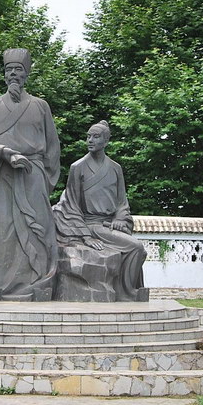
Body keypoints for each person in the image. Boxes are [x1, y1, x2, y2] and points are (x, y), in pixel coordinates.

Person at [0, 48, 60, 301]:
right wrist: (4, 153)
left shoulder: (40, 106)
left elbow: (53, 148)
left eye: (18, 69)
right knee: (0, 229)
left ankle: (37, 283)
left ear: (26, 73)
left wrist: (44, 179)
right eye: (9, 69)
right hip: (0, 174)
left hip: (32, 176)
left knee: (36, 228)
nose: (13, 74)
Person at [52, 121, 148, 301]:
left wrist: (120, 219)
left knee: (138, 251)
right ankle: (127, 293)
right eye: (88, 136)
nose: (90, 140)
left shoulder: (115, 168)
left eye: (96, 137)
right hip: (90, 225)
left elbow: (122, 202)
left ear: (106, 140)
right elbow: (71, 204)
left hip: (109, 224)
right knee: (136, 247)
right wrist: (85, 236)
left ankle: (125, 290)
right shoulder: (77, 167)